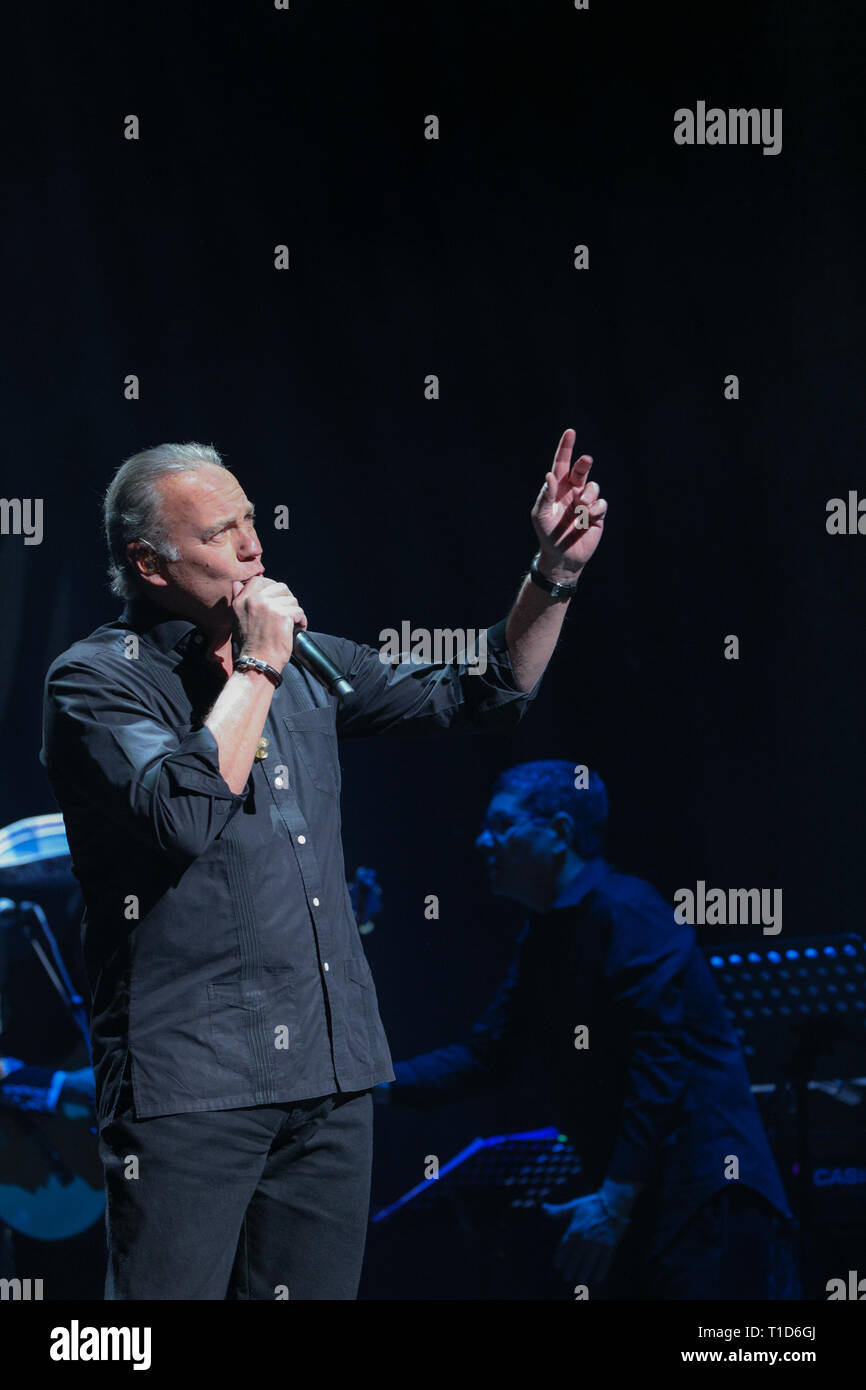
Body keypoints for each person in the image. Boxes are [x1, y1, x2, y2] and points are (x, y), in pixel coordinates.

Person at [39, 430, 607, 1299]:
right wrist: (260, 663)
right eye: (218, 532)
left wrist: (553, 572)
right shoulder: (95, 681)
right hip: (191, 1090)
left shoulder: (307, 668)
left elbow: (485, 688)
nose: (251, 546)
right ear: (149, 565)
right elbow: (186, 813)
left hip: (330, 1077)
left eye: (251, 521)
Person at [382, 761, 801, 1300]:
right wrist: (371, 1084)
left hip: (706, 1199)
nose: (482, 841)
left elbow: (661, 1063)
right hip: (645, 1202)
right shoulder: (545, 936)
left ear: (558, 833)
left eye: (502, 826)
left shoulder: (627, 910)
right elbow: (488, 1056)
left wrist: (614, 1200)